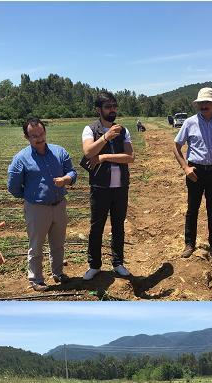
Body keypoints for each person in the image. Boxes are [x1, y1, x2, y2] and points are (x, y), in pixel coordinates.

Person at [7, 117, 77, 292]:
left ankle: (58, 273)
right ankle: (36, 279)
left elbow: (72, 171)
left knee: (58, 243)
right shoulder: (21, 158)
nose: (39, 138)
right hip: (36, 208)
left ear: (45, 132)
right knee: (36, 245)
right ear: (26, 137)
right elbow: (13, 186)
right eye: (34, 136)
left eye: (41, 133)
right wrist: (31, 197)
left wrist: (67, 179)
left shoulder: (59, 152)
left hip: (59, 205)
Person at [173, 87, 212, 263]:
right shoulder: (189, 122)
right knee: (192, 209)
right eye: (201, 103)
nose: (203, 106)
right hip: (195, 172)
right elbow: (176, 146)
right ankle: (189, 244)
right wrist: (185, 168)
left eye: (206, 103)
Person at [81, 92, 135, 281]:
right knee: (96, 227)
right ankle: (94, 265)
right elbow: (88, 152)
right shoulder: (90, 129)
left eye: (114, 106)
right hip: (100, 187)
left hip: (120, 187)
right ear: (98, 109)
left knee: (118, 226)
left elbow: (130, 157)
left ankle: (118, 263)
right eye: (108, 106)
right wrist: (106, 137)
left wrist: (103, 157)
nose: (112, 110)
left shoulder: (124, 130)